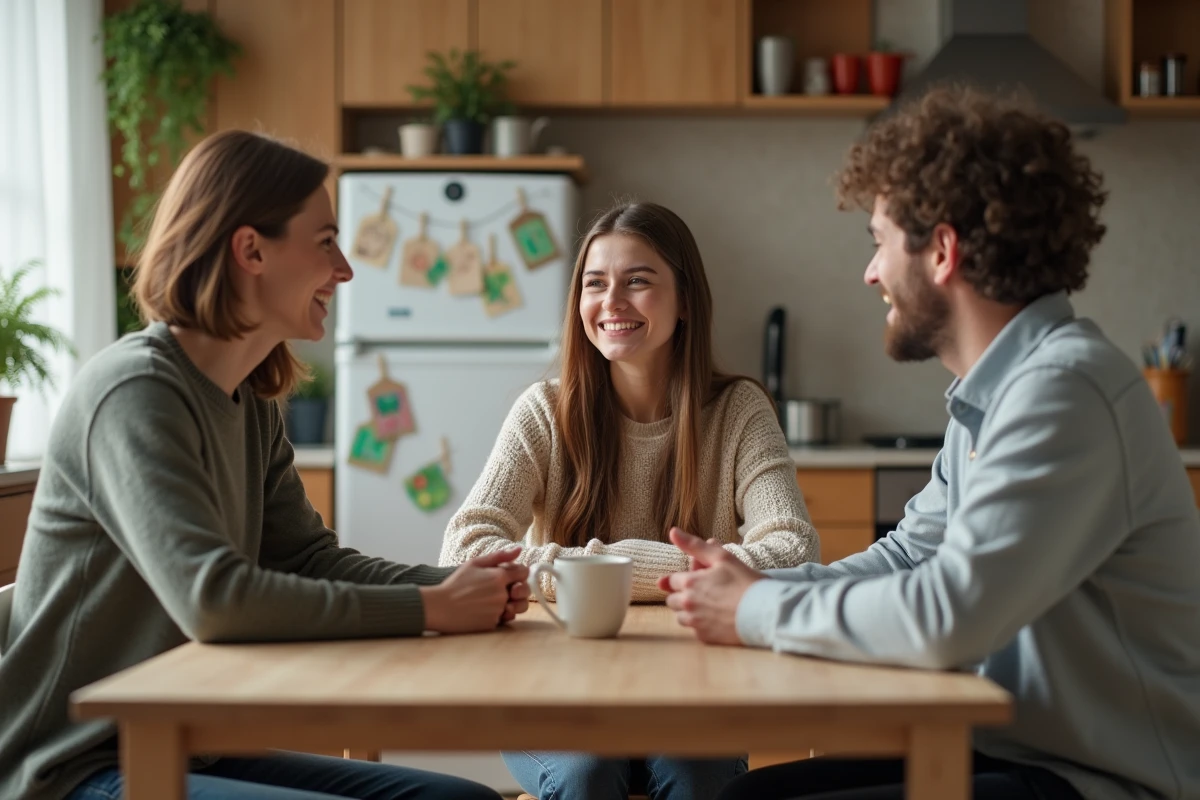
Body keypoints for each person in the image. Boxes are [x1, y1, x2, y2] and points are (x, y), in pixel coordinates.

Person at [661, 86, 1200, 800]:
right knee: (741, 796)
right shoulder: (1000, 391)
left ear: (942, 250)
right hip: (1012, 748)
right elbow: (909, 556)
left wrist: (754, 611)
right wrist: (751, 586)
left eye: (880, 242)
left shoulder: (1066, 391)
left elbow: (949, 614)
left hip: (1103, 780)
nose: (871, 271)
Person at [0, 130, 531, 800]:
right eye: (326, 241)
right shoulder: (135, 392)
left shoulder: (249, 399)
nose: (345, 269)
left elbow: (306, 557)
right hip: (73, 766)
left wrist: (457, 584)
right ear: (251, 249)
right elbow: (213, 601)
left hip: (192, 747)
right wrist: (429, 605)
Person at [439, 201, 820, 799]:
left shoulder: (740, 410)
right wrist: (679, 569)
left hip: (699, 692)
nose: (611, 302)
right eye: (596, 284)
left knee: (699, 779)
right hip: (557, 691)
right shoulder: (543, 410)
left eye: (638, 281)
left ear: (686, 300)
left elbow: (792, 549)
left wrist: (593, 569)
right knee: (587, 773)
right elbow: (464, 548)